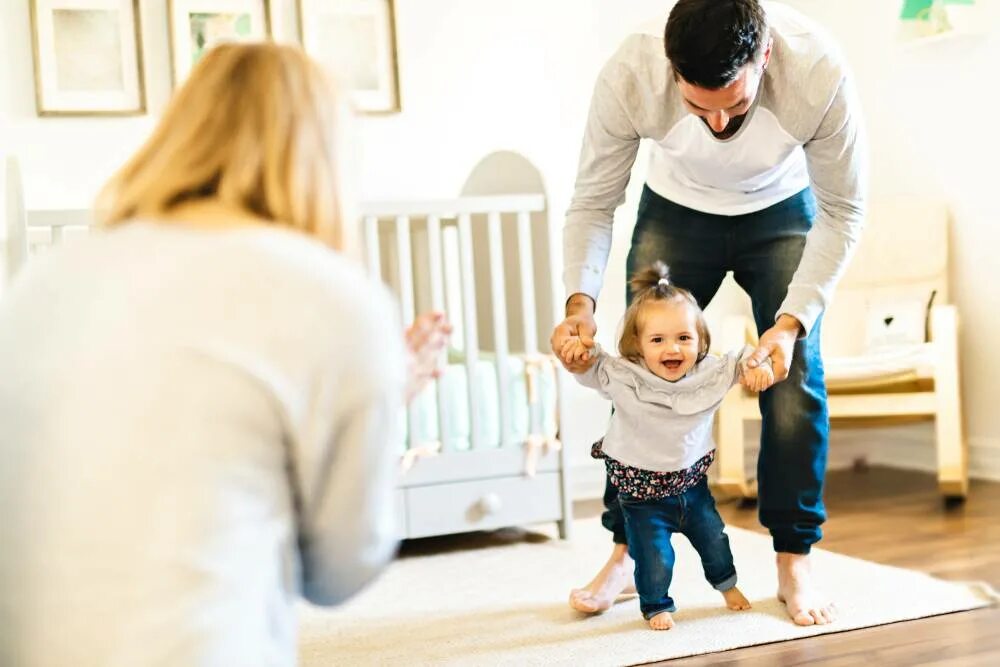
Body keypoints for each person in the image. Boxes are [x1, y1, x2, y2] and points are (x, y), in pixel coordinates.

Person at [0, 43, 450, 666]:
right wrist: (382, 405)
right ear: (325, 158)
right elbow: (339, 572)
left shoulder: (43, 279)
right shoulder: (330, 296)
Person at [551, 0, 866, 626]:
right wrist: (580, 304)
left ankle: (793, 556)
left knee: (794, 379)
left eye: (736, 106)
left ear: (766, 55)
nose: (719, 124)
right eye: (700, 107)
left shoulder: (818, 71)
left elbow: (844, 212)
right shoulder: (630, 72)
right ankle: (627, 549)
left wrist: (789, 323)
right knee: (637, 375)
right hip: (675, 209)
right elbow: (592, 201)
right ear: (671, 72)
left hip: (782, 210)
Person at [561, 262, 772, 630]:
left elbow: (744, 359)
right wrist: (577, 357)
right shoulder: (625, 374)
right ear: (638, 347)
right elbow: (589, 369)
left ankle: (727, 586)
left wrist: (761, 367)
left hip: (692, 489)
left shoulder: (710, 373)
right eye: (657, 340)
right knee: (654, 556)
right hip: (642, 497)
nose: (672, 348)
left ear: (700, 341)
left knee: (715, 542)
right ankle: (656, 605)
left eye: (683, 338)